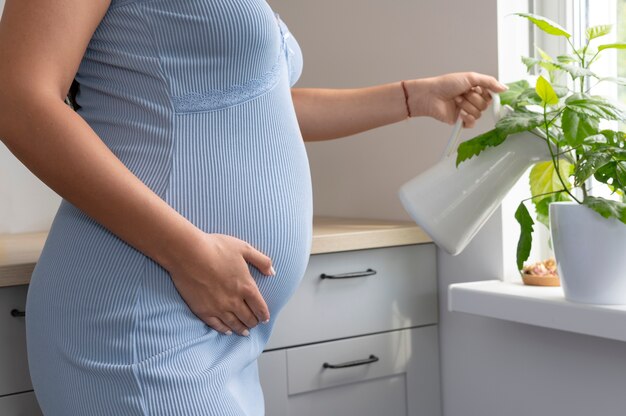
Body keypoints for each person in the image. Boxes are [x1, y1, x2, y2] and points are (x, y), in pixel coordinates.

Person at [0, 0, 506, 415]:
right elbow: (18, 100)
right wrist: (187, 252)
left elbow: (258, 104)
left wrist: (411, 98)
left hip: (218, 330)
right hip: (140, 319)